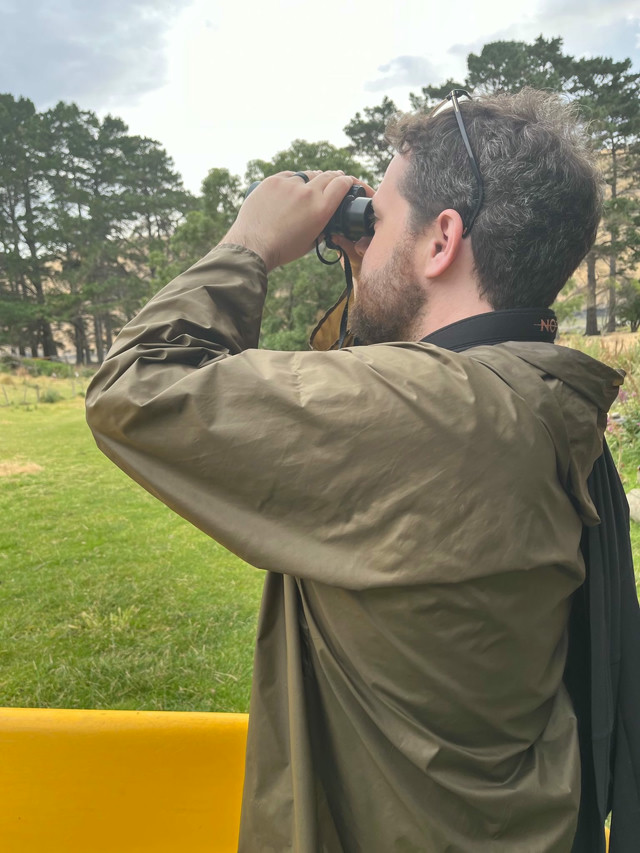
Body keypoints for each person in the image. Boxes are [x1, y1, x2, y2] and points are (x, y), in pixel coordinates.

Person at [86, 89, 640, 852]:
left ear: (442, 239)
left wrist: (249, 243)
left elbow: (135, 387)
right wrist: (377, 266)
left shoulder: (437, 412)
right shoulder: (527, 400)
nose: (361, 236)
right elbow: (369, 397)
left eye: (375, 220)